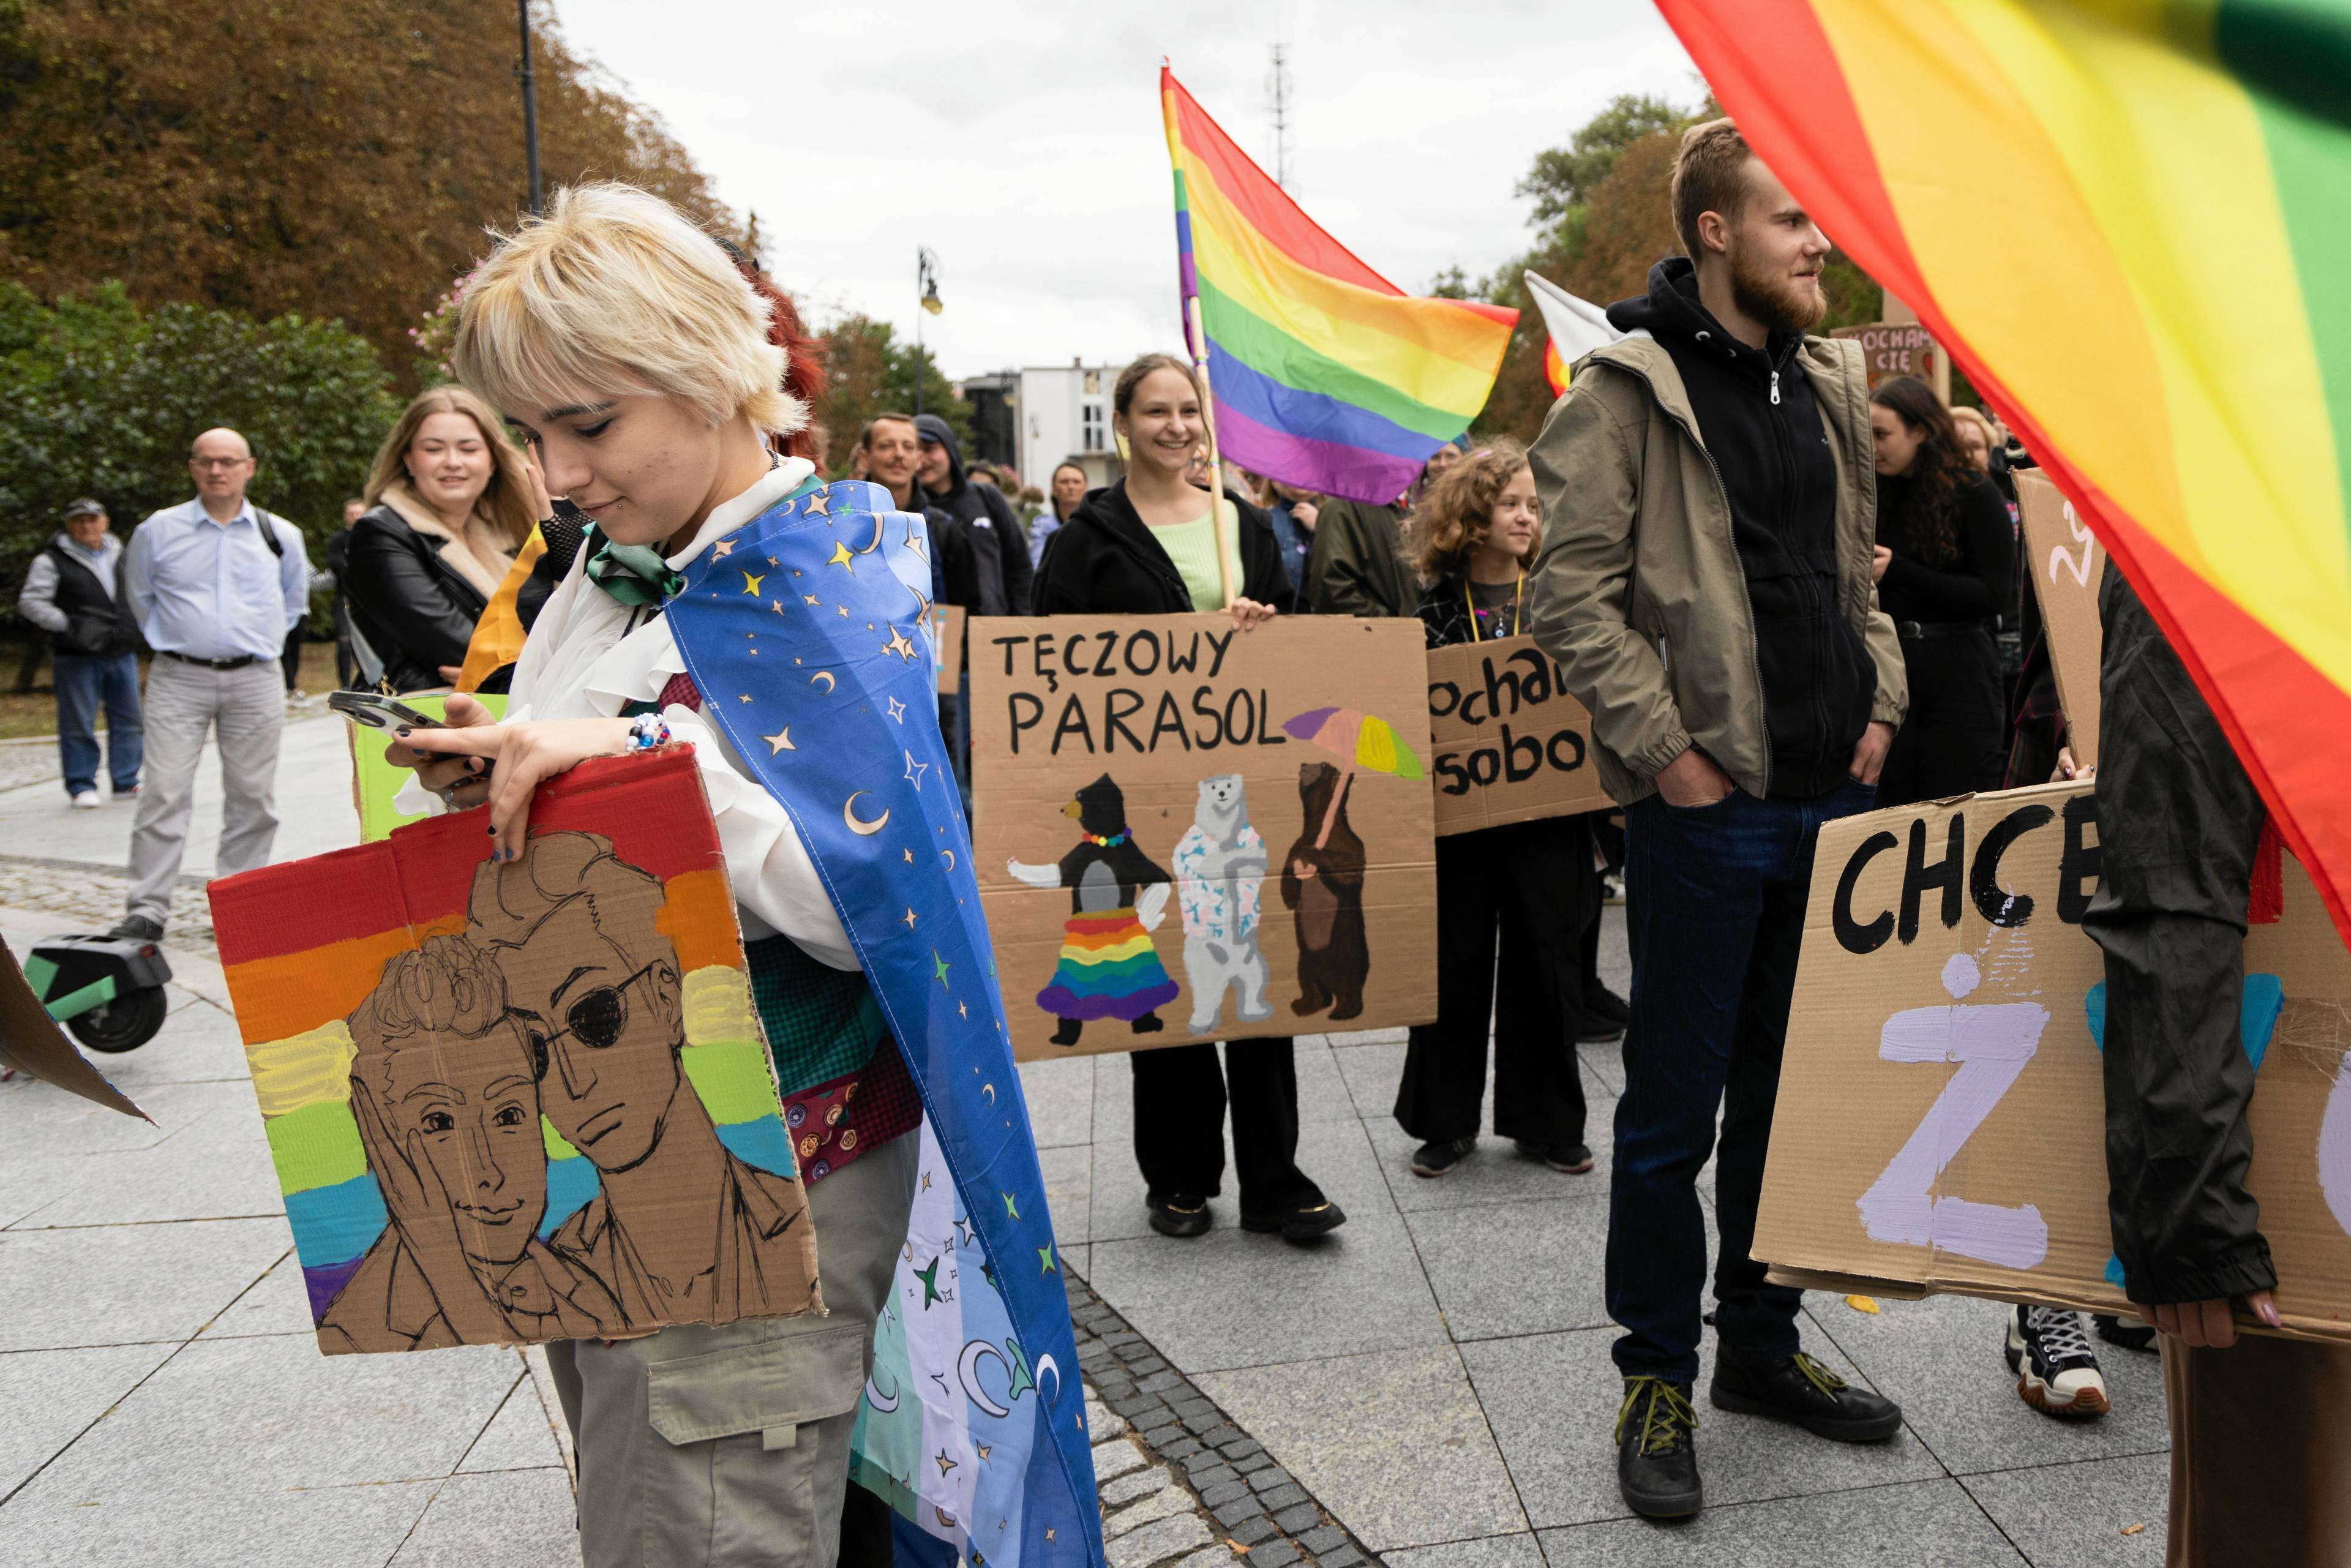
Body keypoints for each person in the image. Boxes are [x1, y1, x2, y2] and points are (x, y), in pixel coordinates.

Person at [384, 182, 1087, 1568]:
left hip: (763, 1175)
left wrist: (635, 754)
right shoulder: (612, 566)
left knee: (704, 1522)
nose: (559, 469)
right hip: (622, 1141)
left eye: (590, 423)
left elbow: (862, 903)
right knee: (637, 1491)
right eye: (533, 432)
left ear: (713, 377)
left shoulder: (813, 576)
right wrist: (505, 754)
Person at [1526, 119, 1908, 1521]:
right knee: (1668, 1118)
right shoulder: (1621, 393)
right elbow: (1568, 597)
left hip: (1829, 803)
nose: (1817, 245)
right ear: (1713, 232)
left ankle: (1756, 1346)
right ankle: (1653, 1372)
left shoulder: (1824, 374)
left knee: (1787, 1101)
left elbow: (1847, 570)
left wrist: (1880, 697)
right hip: (1706, 818)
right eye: (1791, 221)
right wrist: (1667, 757)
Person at [1032, 352, 1344, 1244]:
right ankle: (1178, 1177)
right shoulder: (1083, 542)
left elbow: (1288, 632)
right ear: (1122, 424)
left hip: (1237, 783)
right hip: (1133, 790)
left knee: (1253, 970)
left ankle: (1276, 1179)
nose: (1177, 427)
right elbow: (1052, 663)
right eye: (1158, 411)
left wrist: (1264, 626)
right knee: (1159, 974)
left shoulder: (1240, 527)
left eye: (1190, 412)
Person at [2083, 569, 2351, 1564]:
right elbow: (2166, 867)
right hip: (2292, 1147)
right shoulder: (2212, 499)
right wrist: (2193, 1210)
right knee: (2282, 1514)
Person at [1395, 442, 1595, 1178]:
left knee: (1549, 964)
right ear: (1471, 517)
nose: (1526, 516)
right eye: (1511, 502)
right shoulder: (1428, 612)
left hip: (1548, 819)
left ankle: (1547, 1121)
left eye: (1534, 505)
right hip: (1459, 826)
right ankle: (1443, 1122)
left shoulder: (1559, 602)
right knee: (1455, 962)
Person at [321, 934, 623, 1352]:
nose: (491, 1172)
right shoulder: (367, 1327)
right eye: (439, 1122)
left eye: (508, 1116)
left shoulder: (578, 1287)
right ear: (380, 1136)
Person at [110, 428, 310, 943]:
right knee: (163, 792)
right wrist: (177, 639)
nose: (217, 470)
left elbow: (292, 604)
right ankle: (147, 908)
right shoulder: (159, 529)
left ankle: (237, 906)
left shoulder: (279, 534)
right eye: (206, 461)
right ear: (193, 468)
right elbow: (139, 594)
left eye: (228, 461)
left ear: (250, 467)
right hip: (180, 676)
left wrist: (251, 641)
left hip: (255, 677)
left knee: (252, 796)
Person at [1865, 375, 2015, 806]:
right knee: (1895, 809)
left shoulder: (1974, 495)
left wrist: (1898, 571)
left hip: (1961, 676)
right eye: (1869, 432)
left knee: (1959, 809)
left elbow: (1991, 595)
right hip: (1893, 674)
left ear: (1921, 431)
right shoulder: (1873, 492)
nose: (1874, 445)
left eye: (1883, 434)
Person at [342, 387, 536, 693]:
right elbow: (462, 648)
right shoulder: (379, 535)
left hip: (502, 720)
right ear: (409, 460)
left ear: (492, 462)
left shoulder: (512, 534)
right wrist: (538, 664)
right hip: (425, 727)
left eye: (469, 449)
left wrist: (510, 665)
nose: (452, 462)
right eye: (433, 449)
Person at [17, 497, 142, 808]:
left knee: (129, 719)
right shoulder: (51, 560)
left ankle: (127, 781)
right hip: (77, 655)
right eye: (79, 520)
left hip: (120, 651)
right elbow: (32, 602)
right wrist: (70, 626)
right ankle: (81, 784)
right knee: (78, 722)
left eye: (92, 519)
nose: (86, 525)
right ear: (69, 524)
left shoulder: (122, 554)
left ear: (105, 521)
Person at [1263, 482, 1321, 613]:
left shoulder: (1336, 521)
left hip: (1326, 625)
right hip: (1275, 622)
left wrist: (1321, 527)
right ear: (1273, 481)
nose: (1300, 480)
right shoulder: (1264, 521)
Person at [1029, 460, 1087, 572]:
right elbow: (1037, 566)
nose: (1071, 486)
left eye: (1076, 482)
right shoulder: (1041, 528)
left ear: (1086, 488)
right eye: (1064, 482)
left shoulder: (1097, 526)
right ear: (1054, 490)